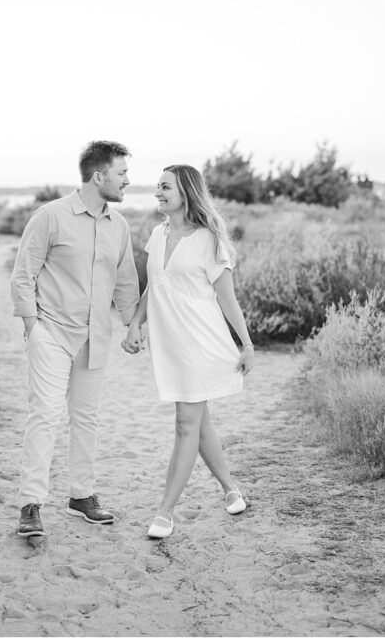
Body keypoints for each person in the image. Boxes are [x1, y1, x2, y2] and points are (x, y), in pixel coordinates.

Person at [9, 140, 140, 538]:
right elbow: (23, 274)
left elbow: (126, 283)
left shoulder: (119, 226)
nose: (127, 181)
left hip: (95, 337)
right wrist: (33, 326)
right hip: (51, 333)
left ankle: (81, 496)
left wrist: (133, 327)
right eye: (121, 173)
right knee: (46, 415)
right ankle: (30, 505)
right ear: (98, 176)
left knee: (86, 418)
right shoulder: (51, 216)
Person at [122, 164, 254, 540]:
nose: (158, 193)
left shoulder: (209, 240)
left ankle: (164, 513)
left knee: (185, 424)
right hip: (171, 347)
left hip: (201, 344)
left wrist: (246, 343)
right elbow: (155, 287)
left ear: (186, 193)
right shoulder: (158, 235)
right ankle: (231, 489)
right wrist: (135, 323)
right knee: (200, 424)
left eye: (165, 187)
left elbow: (227, 299)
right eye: (157, 187)